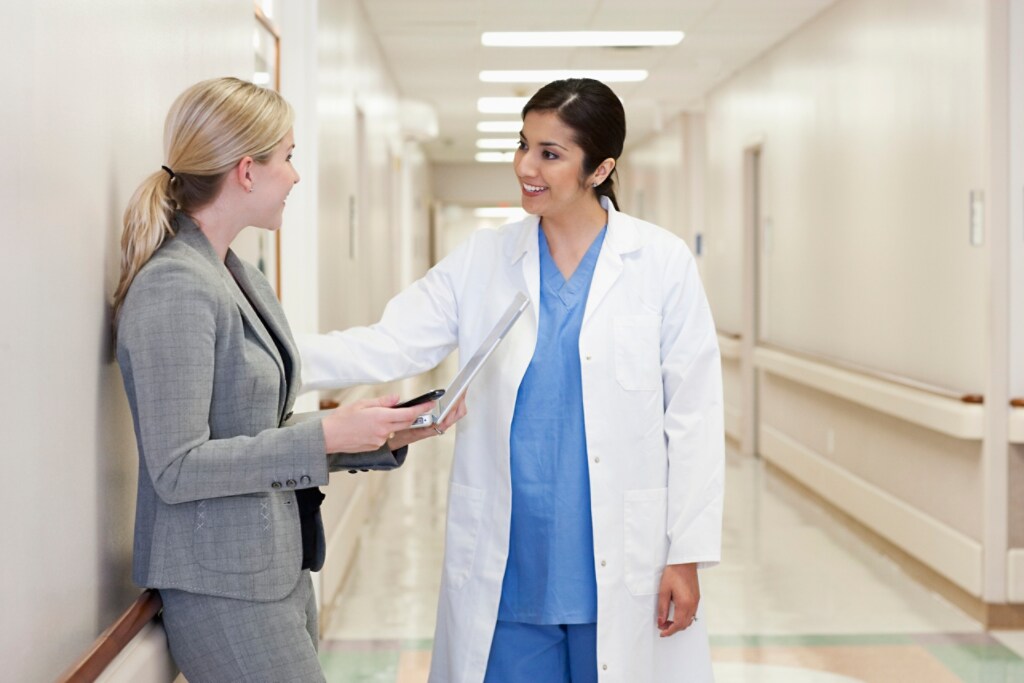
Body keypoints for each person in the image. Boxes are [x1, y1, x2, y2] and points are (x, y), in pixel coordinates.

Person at [299, 78, 724, 682]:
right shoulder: (483, 261)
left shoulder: (660, 264)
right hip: (509, 571)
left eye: (550, 154)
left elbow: (695, 416)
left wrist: (686, 556)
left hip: (625, 569)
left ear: (600, 169)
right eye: (523, 144)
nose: (526, 165)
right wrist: (271, 357)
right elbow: (389, 341)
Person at [112, 77, 462, 683]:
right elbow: (176, 467)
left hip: (276, 565)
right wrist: (327, 434)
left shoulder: (237, 274)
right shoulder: (176, 285)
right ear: (247, 172)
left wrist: (376, 438)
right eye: (289, 158)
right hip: (221, 586)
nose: (296, 176)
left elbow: (250, 429)